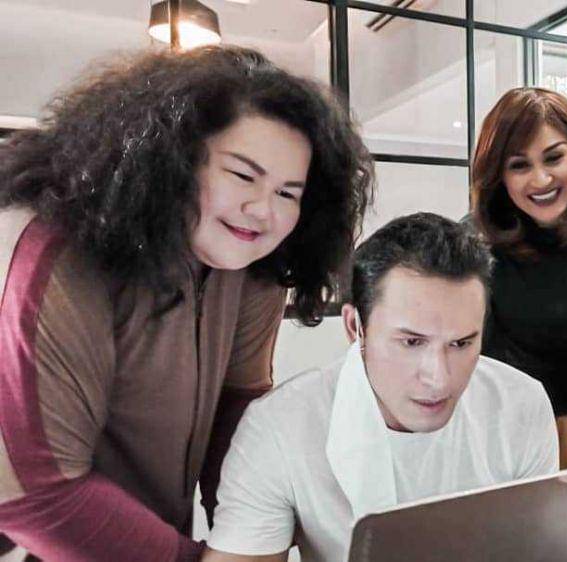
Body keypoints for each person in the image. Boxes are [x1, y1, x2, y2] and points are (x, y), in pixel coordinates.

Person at [0, 45, 373, 561]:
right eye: (243, 175)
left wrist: (254, 538)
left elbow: (238, 408)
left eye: (288, 193)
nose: (262, 210)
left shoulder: (257, 264)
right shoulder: (58, 252)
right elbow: (35, 492)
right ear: (171, 162)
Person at [203, 213, 559, 562]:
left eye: (461, 343)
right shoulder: (281, 426)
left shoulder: (520, 406)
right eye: (411, 342)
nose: (439, 378)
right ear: (355, 327)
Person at [470, 87, 567, 468]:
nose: (540, 179)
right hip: (509, 442)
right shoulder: (470, 248)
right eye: (519, 165)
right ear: (498, 175)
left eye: (554, 157)